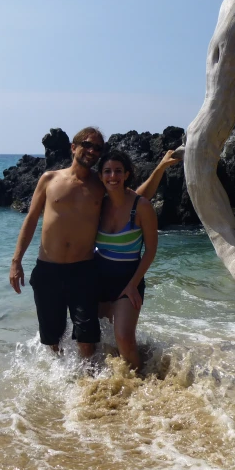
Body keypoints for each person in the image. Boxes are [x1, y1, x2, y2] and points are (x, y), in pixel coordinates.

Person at [9, 127, 106, 359]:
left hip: (83, 270)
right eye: (87, 144)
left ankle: (90, 387)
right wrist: (16, 261)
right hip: (48, 270)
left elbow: (131, 200)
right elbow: (31, 219)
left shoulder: (101, 185)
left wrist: (160, 169)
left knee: (87, 338)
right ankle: (61, 386)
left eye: (98, 148)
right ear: (74, 147)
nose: (92, 150)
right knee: (53, 339)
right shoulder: (49, 179)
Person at [95, 149, 180, 370]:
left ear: (127, 174)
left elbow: (150, 250)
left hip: (128, 280)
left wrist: (133, 285)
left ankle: (139, 384)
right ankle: (112, 383)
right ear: (100, 175)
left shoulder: (141, 207)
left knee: (124, 338)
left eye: (118, 171)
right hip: (98, 280)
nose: (112, 176)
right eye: (107, 171)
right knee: (102, 338)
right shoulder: (98, 204)